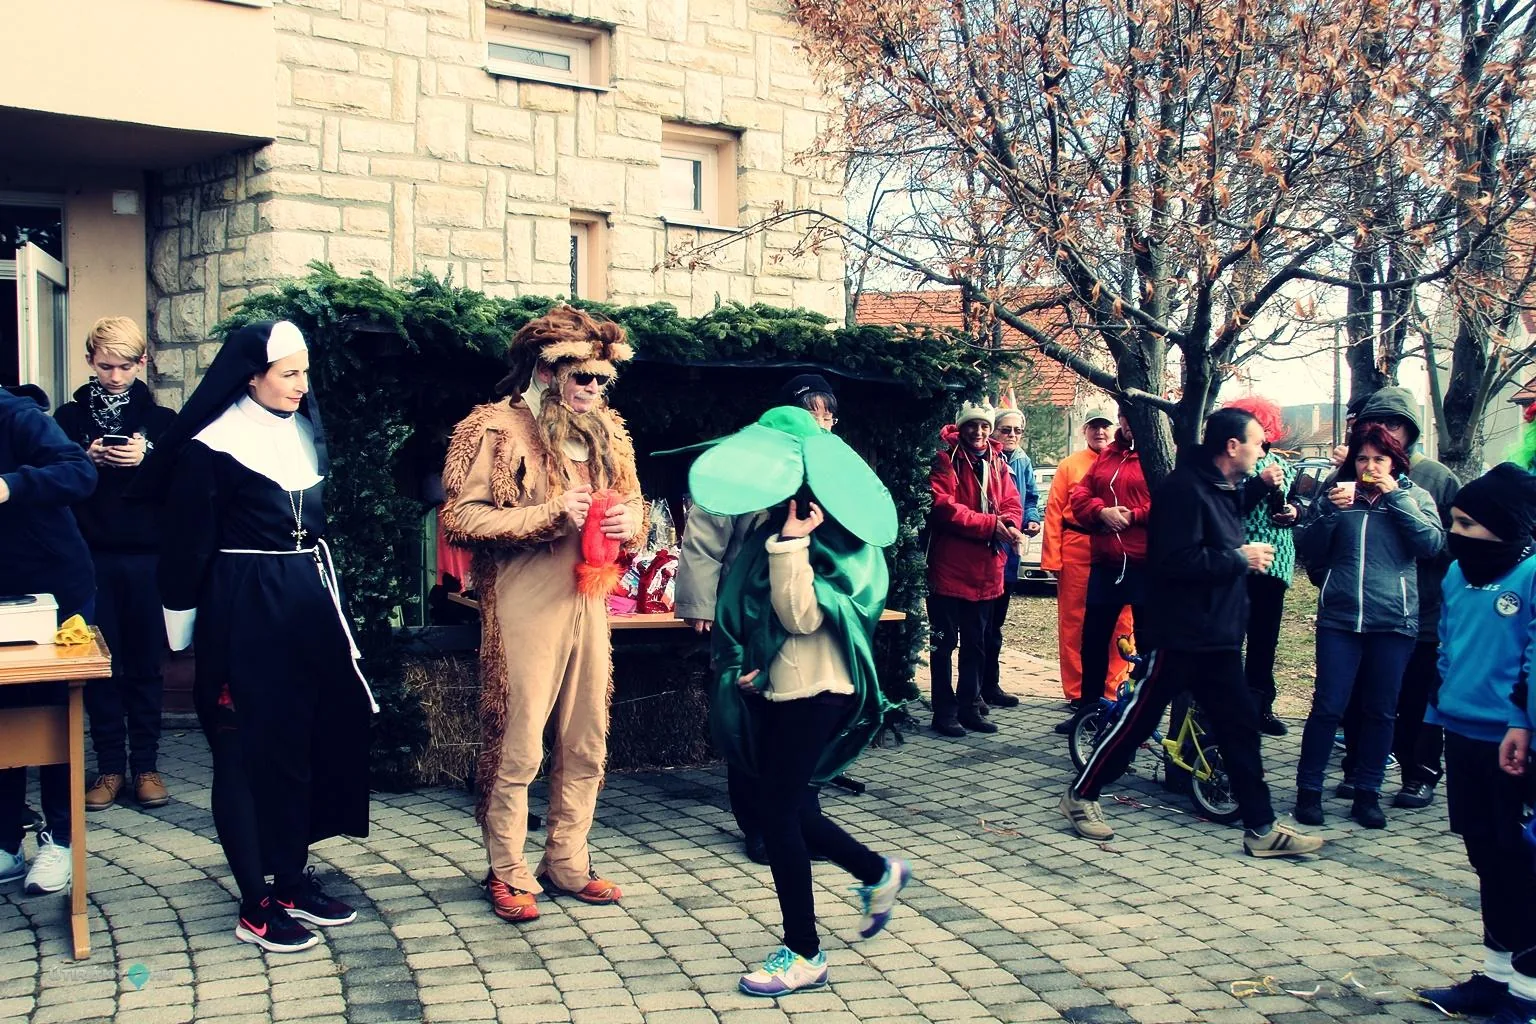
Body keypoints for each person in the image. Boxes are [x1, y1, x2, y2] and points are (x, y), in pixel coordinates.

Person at [141, 320, 375, 953]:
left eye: (305, 372)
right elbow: (184, 544)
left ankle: (291, 879)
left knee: (298, 742)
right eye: (288, 373)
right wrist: (181, 628)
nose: (302, 385)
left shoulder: (302, 429)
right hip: (242, 604)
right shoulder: (210, 446)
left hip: (306, 600)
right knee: (241, 751)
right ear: (251, 377)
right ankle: (254, 901)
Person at [694, 404, 910, 997]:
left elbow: (803, 616)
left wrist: (791, 544)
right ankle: (878, 872)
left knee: (778, 814)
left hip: (817, 692)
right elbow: (766, 617)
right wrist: (757, 668)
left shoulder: (829, 532)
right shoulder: (793, 519)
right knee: (795, 810)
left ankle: (805, 953)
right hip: (789, 687)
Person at [441, 306, 643, 926]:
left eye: (602, 379)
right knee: (520, 738)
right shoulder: (495, 428)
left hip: (591, 599)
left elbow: (634, 506)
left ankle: (567, 861)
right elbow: (460, 517)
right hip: (525, 599)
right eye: (582, 376)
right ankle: (506, 868)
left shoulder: (609, 432)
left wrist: (629, 523)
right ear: (546, 370)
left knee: (587, 737)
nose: (593, 389)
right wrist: (548, 514)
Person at [1060, 407, 1323, 858]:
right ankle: (1081, 796)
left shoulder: (1222, 487)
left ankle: (1261, 829)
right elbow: (1173, 561)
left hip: (1217, 635)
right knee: (1137, 721)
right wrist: (1239, 559)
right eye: (1257, 443)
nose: (1262, 450)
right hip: (1180, 634)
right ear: (1232, 447)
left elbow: (1220, 528)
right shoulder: (1184, 489)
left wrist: (1258, 497)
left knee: (1241, 729)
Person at [675, 373, 839, 865]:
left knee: (801, 719)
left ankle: (799, 818)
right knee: (752, 718)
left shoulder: (833, 470)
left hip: (804, 613)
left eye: (828, 414)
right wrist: (701, 604)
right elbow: (705, 534)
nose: (821, 422)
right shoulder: (745, 463)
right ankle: (759, 825)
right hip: (746, 612)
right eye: (811, 412)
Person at [1415, 464, 1536, 1024]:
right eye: (1453, 522)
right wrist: (1435, 712)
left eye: (1467, 523)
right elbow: (1447, 647)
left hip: (1511, 742)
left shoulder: (1530, 574)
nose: (1456, 533)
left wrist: (1521, 721)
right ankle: (1496, 975)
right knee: (1485, 856)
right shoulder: (1456, 575)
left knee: (1521, 862)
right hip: (1461, 732)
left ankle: (1527, 995)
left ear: (1503, 526)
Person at [1293, 422, 1444, 828]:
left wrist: (1397, 499)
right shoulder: (1336, 496)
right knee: (1328, 707)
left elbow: (1430, 545)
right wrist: (1328, 512)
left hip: (1393, 620)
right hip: (1340, 618)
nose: (1370, 466)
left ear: (1395, 462)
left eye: (1379, 458)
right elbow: (1308, 548)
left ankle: (1367, 793)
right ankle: (1308, 791)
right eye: (1362, 458)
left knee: (1381, 710)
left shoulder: (1415, 497)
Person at [53, 317, 176, 811]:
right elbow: (52, 483)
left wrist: (150, 458)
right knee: (100, 664)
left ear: (142, 362)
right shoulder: (67, 418)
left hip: (147, 559)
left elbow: (184, 488)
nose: (116, 376)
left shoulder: (163, 420)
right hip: (90, 558)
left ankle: (145, 766)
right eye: (106, 366)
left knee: (145, 664)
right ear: (90, 361)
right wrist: (84, 459)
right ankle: (108, 768)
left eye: (126, 366)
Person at [1338, 388, 1460, 809]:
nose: (1386, 432)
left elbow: (1452, 543)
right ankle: (1358, 769)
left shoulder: (1437, 478)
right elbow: (1323, 537)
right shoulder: (1350, 473)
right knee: (1360, 694)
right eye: (1376, 423)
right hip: (1361, 610)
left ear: (1411, 430)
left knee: (1415, 698)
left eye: (1395, 424)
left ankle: (1418, 774)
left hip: (1421, 608)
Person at [0, 383, 97, 897]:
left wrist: (10, 485)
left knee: (56, 713)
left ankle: (60, 840)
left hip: (56, 590)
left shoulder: (17, 415)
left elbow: (80, 471)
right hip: (3, 592)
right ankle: (6, 842)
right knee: (4, 717)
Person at [926, 402, 1023, 737]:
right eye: (972, 425)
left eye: (984, 426)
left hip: (986, 569)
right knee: (943, 644)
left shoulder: (998, 460)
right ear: (960, 426)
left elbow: (1011, 502)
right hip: (949, 567)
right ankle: (944, 711)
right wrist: (991, 525)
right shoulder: (945, 458)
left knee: (976, 643)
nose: (979, 432)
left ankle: (969, 706)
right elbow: (944, 508)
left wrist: (1010, 524)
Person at [1060, 408, 1151, 734]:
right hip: (1106, 563)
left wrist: (1133, 516)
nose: (1129, 423)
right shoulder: (1108, 456)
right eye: (1125, 417)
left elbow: (1170, 502)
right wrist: (1102, 512)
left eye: (1135, 417)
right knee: (1093, 640)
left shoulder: (1156, 455)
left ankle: (1139, 717)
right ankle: (1089, 712)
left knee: (1148, 644)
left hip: (1144, 564)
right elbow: (1080, 496)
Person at [1041, 410, 1134, 713]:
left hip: (1117, 549)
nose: (1100, 432)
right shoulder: (1069, 465)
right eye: (1094, 427)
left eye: (1105, 426)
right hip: (1077, 548)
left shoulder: (1124, 461)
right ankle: (1079, 691)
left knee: (1122, 622)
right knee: (1075, 623)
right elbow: (1054, 512)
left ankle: (1113, 688)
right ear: (1085, 431)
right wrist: (1052, 559)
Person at [1222, 397, 1298, 737]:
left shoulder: (1282, 464)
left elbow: (1294, 503)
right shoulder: (1231, 464)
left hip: (1275, 563)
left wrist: (1294, 512)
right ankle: (1228, 707)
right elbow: (1228, 506)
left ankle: (1260, 708)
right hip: (1238, 562)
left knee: (1264, 641)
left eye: (1264, 426)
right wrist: (1260, 483)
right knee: (1231, 638)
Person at [981, 405, 1042, 712]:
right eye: (1006, 430)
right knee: (979, 625)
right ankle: (974, 688)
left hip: (1010, 555)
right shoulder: (986, 458)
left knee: (996, 625)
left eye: (1018, 430)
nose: (1012, 435)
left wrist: (1032, 519)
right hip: (985, 550)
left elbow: (1030, 498)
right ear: (994, 431)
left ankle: (990, 685)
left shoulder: (1022, 460)